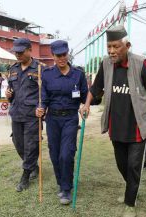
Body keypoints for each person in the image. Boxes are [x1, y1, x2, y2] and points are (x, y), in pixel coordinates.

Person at [79, 25, 146, 217]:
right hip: (116, 126)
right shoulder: (106, 64)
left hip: (137, 127)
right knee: (121, 164)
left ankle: (130, 204)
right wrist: (86, 104)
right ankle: (131, 191)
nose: (111, 51)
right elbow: (95, 88)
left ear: (127, 46)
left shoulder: (141, 63)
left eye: (116, 47)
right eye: (109, 47)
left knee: (133, 165)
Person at [36, 40, 88, 205]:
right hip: (53, 119)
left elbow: (86, 96)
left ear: (68, 53)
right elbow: (44, 98)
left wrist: (85, 106)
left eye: (64, 54)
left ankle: (66, 188)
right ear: (53, 56)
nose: (61, 58)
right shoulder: (47, 74)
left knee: (66, 153)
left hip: (70, 119)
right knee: (55, 154)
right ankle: (61, 183)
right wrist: (40, 108)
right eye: (58, 55)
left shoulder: (78, 74)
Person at [5, 38, 46, 192]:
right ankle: (33, 165)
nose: (18, 54)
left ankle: (25, 175)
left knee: (31, 145)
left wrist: (42, 108)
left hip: (32, 115)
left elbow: (46, 94)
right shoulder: (13, 69)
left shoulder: (41, 69)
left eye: (21, 52)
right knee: (18, 143)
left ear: (30, 50)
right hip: (16, 113)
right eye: (16, 52)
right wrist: (8, 95)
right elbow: (11, 92)